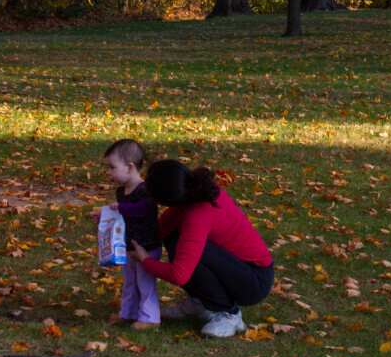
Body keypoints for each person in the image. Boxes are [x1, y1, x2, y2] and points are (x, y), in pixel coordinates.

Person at [129, 159, 273, 338]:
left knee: (190, 254)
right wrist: (131, 241)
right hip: (238, 266)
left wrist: (145, 260)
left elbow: (179, 274)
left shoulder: (198, 214)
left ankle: (229, 314)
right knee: (177, 241)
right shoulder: (194, 191)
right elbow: (161, 228)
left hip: (255, 280)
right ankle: (200, 303)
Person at [103, 139, 160, 330]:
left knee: (145, 283)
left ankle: (150, 318)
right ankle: (128, 313)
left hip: (146, 246)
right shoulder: (122, 192)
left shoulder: (145, 189)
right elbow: (122, 215)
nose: (108, 172)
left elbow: (144, 209)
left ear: (129, 167)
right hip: (128, 244)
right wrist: (104, 216)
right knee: (130, 281)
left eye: (112, 167)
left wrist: (122, 208)